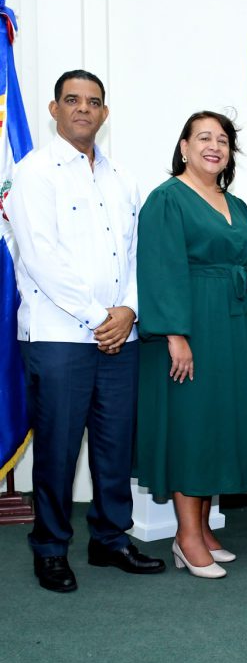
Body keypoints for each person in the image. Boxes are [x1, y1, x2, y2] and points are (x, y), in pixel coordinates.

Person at [7, 69, 165, 593]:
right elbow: (41, 257)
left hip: (120, 336)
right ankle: (51, 549)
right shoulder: (33, 173)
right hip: (59, 337)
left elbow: (139, 253)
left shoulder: (122, 177)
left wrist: (131, 310)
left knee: (115, 447)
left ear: (104, 113)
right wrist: (101, 317)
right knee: (57, 450)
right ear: (54, 109)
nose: (83, 109)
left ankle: (110, 540)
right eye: (72, 100)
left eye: (93, 102)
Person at [135, 111, 247, 579]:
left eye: (222, 140)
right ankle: (186, 537)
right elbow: (159, 268)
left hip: (235, 326)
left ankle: (201, 527)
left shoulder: (234, 203)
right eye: (204, 138)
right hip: (191, 326)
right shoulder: (166, 199)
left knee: (219, 422)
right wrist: (174, 335)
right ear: (184, 147)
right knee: (193, 426)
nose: (214, 146)